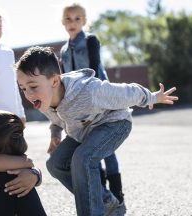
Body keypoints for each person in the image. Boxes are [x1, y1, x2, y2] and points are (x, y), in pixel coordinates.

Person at [15, 46, 178, 216]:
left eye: (32, 86)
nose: (28, 94)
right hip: (83, 131)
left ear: (55, 81)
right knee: (55, 164)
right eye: (23, 88)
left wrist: (152, 97)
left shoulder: (88, 91)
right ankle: (106, 201)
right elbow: (56, 119)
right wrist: (55, 135)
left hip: (114, 124)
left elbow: (126, 92)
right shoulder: (43, 98)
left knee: (83, 158)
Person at [59, 3, 124, 205]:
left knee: (107, 149)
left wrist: (103, 101)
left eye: (77, 18)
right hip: (78, 107)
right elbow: (64, 80)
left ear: (85, 21)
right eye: (68, 19)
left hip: (99, 100)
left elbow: (95, 69)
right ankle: (104, 196)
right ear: (63, 22)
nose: (73, 23)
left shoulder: (90, 41)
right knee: (90, 148)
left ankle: (118, 195)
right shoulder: (62, 51)